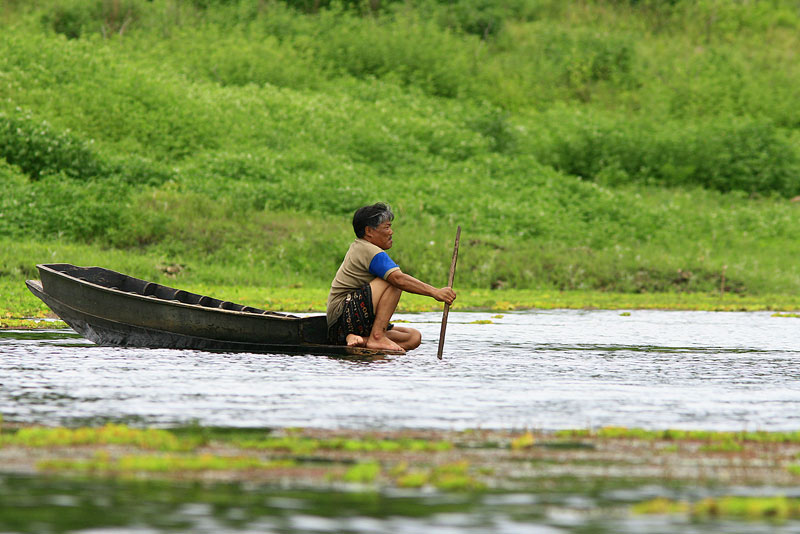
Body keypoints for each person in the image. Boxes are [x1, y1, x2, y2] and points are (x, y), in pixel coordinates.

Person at [326, 203, 456, 353]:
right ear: (369, 231)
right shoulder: (368, 250)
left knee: (413, 337)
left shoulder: (364, 248)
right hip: (342, 319)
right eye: (387, 227)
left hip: (354, 324)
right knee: (393, 281)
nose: (391, 232)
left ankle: (361, 340)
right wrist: (435, 292)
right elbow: (399, 280)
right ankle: (377, 336)